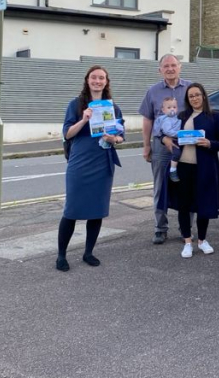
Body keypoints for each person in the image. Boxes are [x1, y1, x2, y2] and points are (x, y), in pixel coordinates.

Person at [56, 66, 125, 272]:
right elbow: (67, 133)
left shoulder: (113, 108)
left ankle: (88, 252)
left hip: (102, 162)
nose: (97, 81)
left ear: (106, 81)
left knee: (97, 210)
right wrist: (84, 119)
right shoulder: (76, 105)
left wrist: (114, 138)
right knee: (72, 210)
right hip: (80, 161)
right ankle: (61, 255)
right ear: (87, 80)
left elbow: (122, 137)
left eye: (101, 78)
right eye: (94, 77)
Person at [157, 83, 219, 257]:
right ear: (188, 100)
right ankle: (187, 242)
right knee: (184, 205)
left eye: (197, 95)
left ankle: (202, 241)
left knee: (203, 204)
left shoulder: (215, 117)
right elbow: (166, 132)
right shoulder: (181, 116)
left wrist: (210, 143)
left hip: (205, 168)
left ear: (203, 96)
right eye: (191, 96)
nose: (195, 98)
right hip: (183, 166)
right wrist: (164, 140)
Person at [139, 54, 192, 244]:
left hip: (187, 145)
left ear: (180, 67)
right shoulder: (152, 91)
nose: (170, 69)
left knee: (187, 186)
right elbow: (147, 120)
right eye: (166, 66)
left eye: (173, 65)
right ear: (160, 70)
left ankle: (186, 228)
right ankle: (160, 228)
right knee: (160, 187)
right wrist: (146, 146)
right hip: (161, 145)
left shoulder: (190, 88)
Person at [153, 97, 182, 181]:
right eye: (169, 108)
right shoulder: (166, 120)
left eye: (174, 107)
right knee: (177, 153)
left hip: (179, 139)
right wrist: (180, 134)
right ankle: (173, 170)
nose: (172, 109)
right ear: (163, 110)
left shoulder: (177, 118)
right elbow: (168, 131)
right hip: (173, 140)